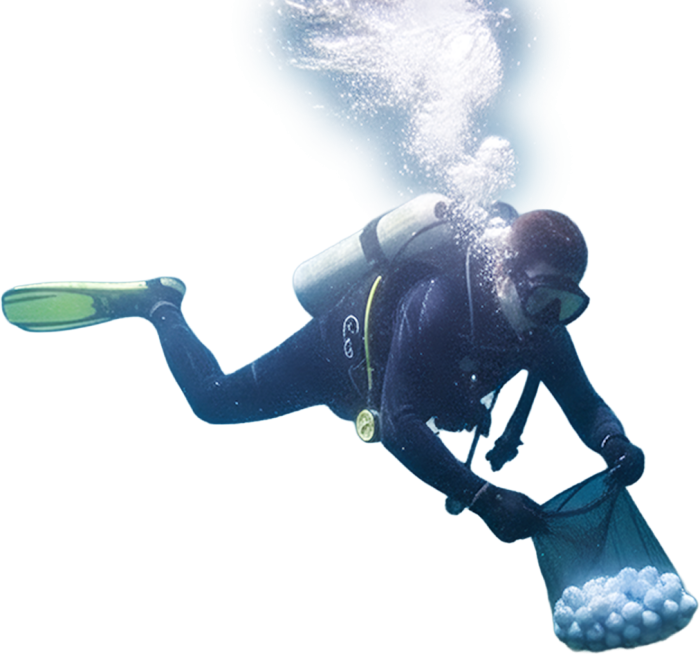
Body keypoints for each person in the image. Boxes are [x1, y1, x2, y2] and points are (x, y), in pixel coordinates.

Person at [0, 207, 645, 544]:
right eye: (542, 298)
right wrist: (482, 498)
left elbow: (584, 403)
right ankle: (160, 305)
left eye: (568, 306)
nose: (550, 319)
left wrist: (614, 442)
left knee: (465, 402)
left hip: (412, 386)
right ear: (505, 275)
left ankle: (160, 307)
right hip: (335, 358)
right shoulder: (444, 303)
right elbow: (399, 424)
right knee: (214, 402)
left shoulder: (544, 332)